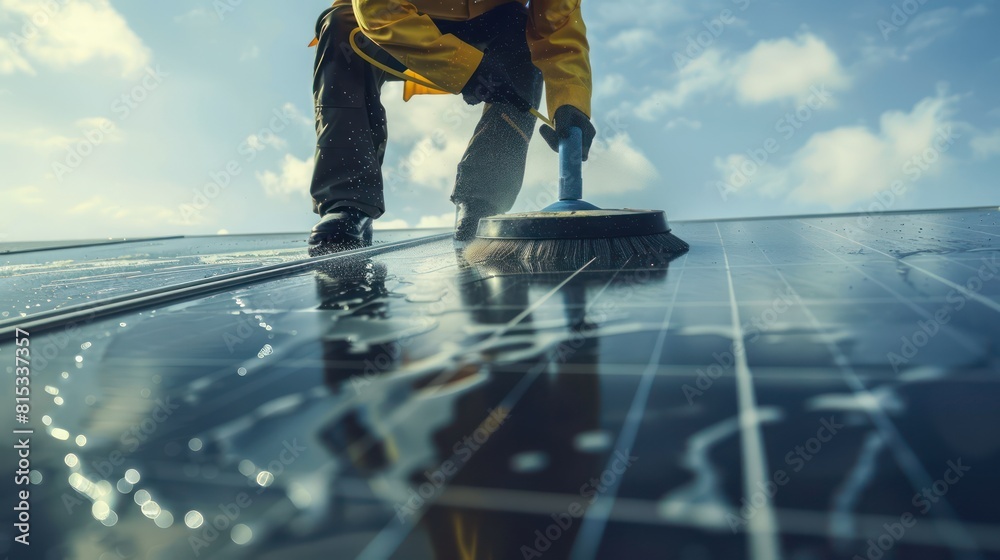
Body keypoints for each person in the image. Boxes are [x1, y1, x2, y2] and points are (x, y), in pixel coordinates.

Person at [307, 0, 597, 248]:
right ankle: (347, 203)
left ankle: (482, 202)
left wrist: (570, 104)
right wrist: (465, 68)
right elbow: (377, 9)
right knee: (341, 26)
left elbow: (558, 32)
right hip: (389, 24)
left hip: (489, 26)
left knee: (522, 35)